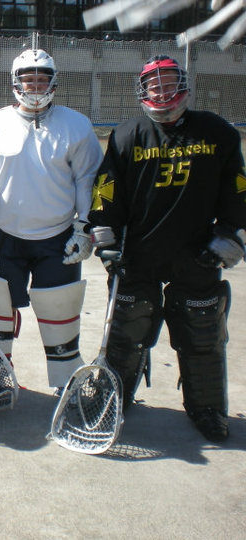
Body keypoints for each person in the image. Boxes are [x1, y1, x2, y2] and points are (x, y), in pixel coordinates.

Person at [87, 55, 246, 442]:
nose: (163, 90)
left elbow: (237, 190)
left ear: (184, 84)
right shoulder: (127, 134)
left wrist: (230, 236)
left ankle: (207, 409)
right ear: (142, 91)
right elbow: (108, 190)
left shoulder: (218, 132)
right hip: (139, 254)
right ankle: (114, 398)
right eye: (154, 84)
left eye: (169, 81)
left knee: (203, 335)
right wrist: (105, 239)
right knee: (127, 332)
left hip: (196, 254)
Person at [0, 49, 103, 394]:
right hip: (6, 236)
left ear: (53, 81)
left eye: (41, 78)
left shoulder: (76, 124)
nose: (35, 85)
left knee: (59, 315)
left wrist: (84, 227)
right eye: (28, 79)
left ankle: (66, 382)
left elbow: (87, 179)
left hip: (59, 238)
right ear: (15, 82)